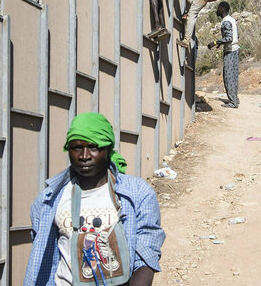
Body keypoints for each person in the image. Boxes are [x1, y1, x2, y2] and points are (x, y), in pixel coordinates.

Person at [23, 112, 165, 286]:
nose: (84, 156)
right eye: (76, 148)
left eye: (93, 147)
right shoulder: (48, 201)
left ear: (108, 149)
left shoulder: (137, 193)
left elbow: (146, 251)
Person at [207, 1, 240, 108]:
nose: (217, 10)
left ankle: (233, 102)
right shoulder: (232, 20)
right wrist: (221, 43)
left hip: (230, 51)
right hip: (235, 49)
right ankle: (235, 99)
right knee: (234, 76)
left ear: (222, 9)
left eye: (218, 8)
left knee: (228, 77)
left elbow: (229, 38)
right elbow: (235, 36)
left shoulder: (226, 21)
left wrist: (215, 42)